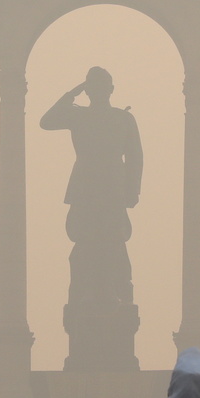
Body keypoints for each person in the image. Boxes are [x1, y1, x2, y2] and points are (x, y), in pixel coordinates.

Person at [39, 66, 143, 307]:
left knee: (112, 238)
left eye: (102, 86)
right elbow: (46, 121)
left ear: (111, 89)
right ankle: (88, 289)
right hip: (85, 185)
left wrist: (132, 190)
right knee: (85, 238)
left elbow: (135, 156)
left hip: (113, 186)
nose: (98, 91)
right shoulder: (79, 116)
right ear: (87, 90)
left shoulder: (123, 118)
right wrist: (71, 93)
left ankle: (110, 289)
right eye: (92, 86)